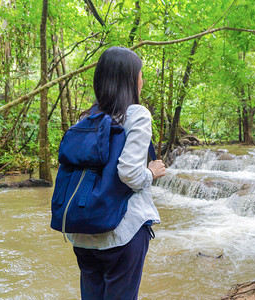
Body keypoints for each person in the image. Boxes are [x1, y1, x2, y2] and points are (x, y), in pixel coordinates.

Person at [66, 46, 167, 299]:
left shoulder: (84, 119)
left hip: (82, 233)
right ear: (131, 80)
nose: (142, 80)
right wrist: (151, 172)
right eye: (140, 74)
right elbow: (130, 174)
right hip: (122, 231)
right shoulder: (136, 114)